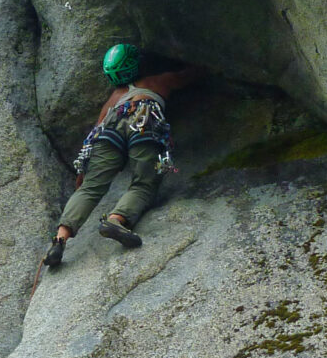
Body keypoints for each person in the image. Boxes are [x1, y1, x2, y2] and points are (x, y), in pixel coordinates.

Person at [43, 45, 205, 268]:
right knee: (144, 184)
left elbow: (94, 132)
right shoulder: (156, 82)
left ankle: (60, 239)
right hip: (143, 122)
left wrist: (82, 171)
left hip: (109, 130)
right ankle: (116, 221)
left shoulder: (115, 97)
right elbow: (188, 75)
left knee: (90, 188)